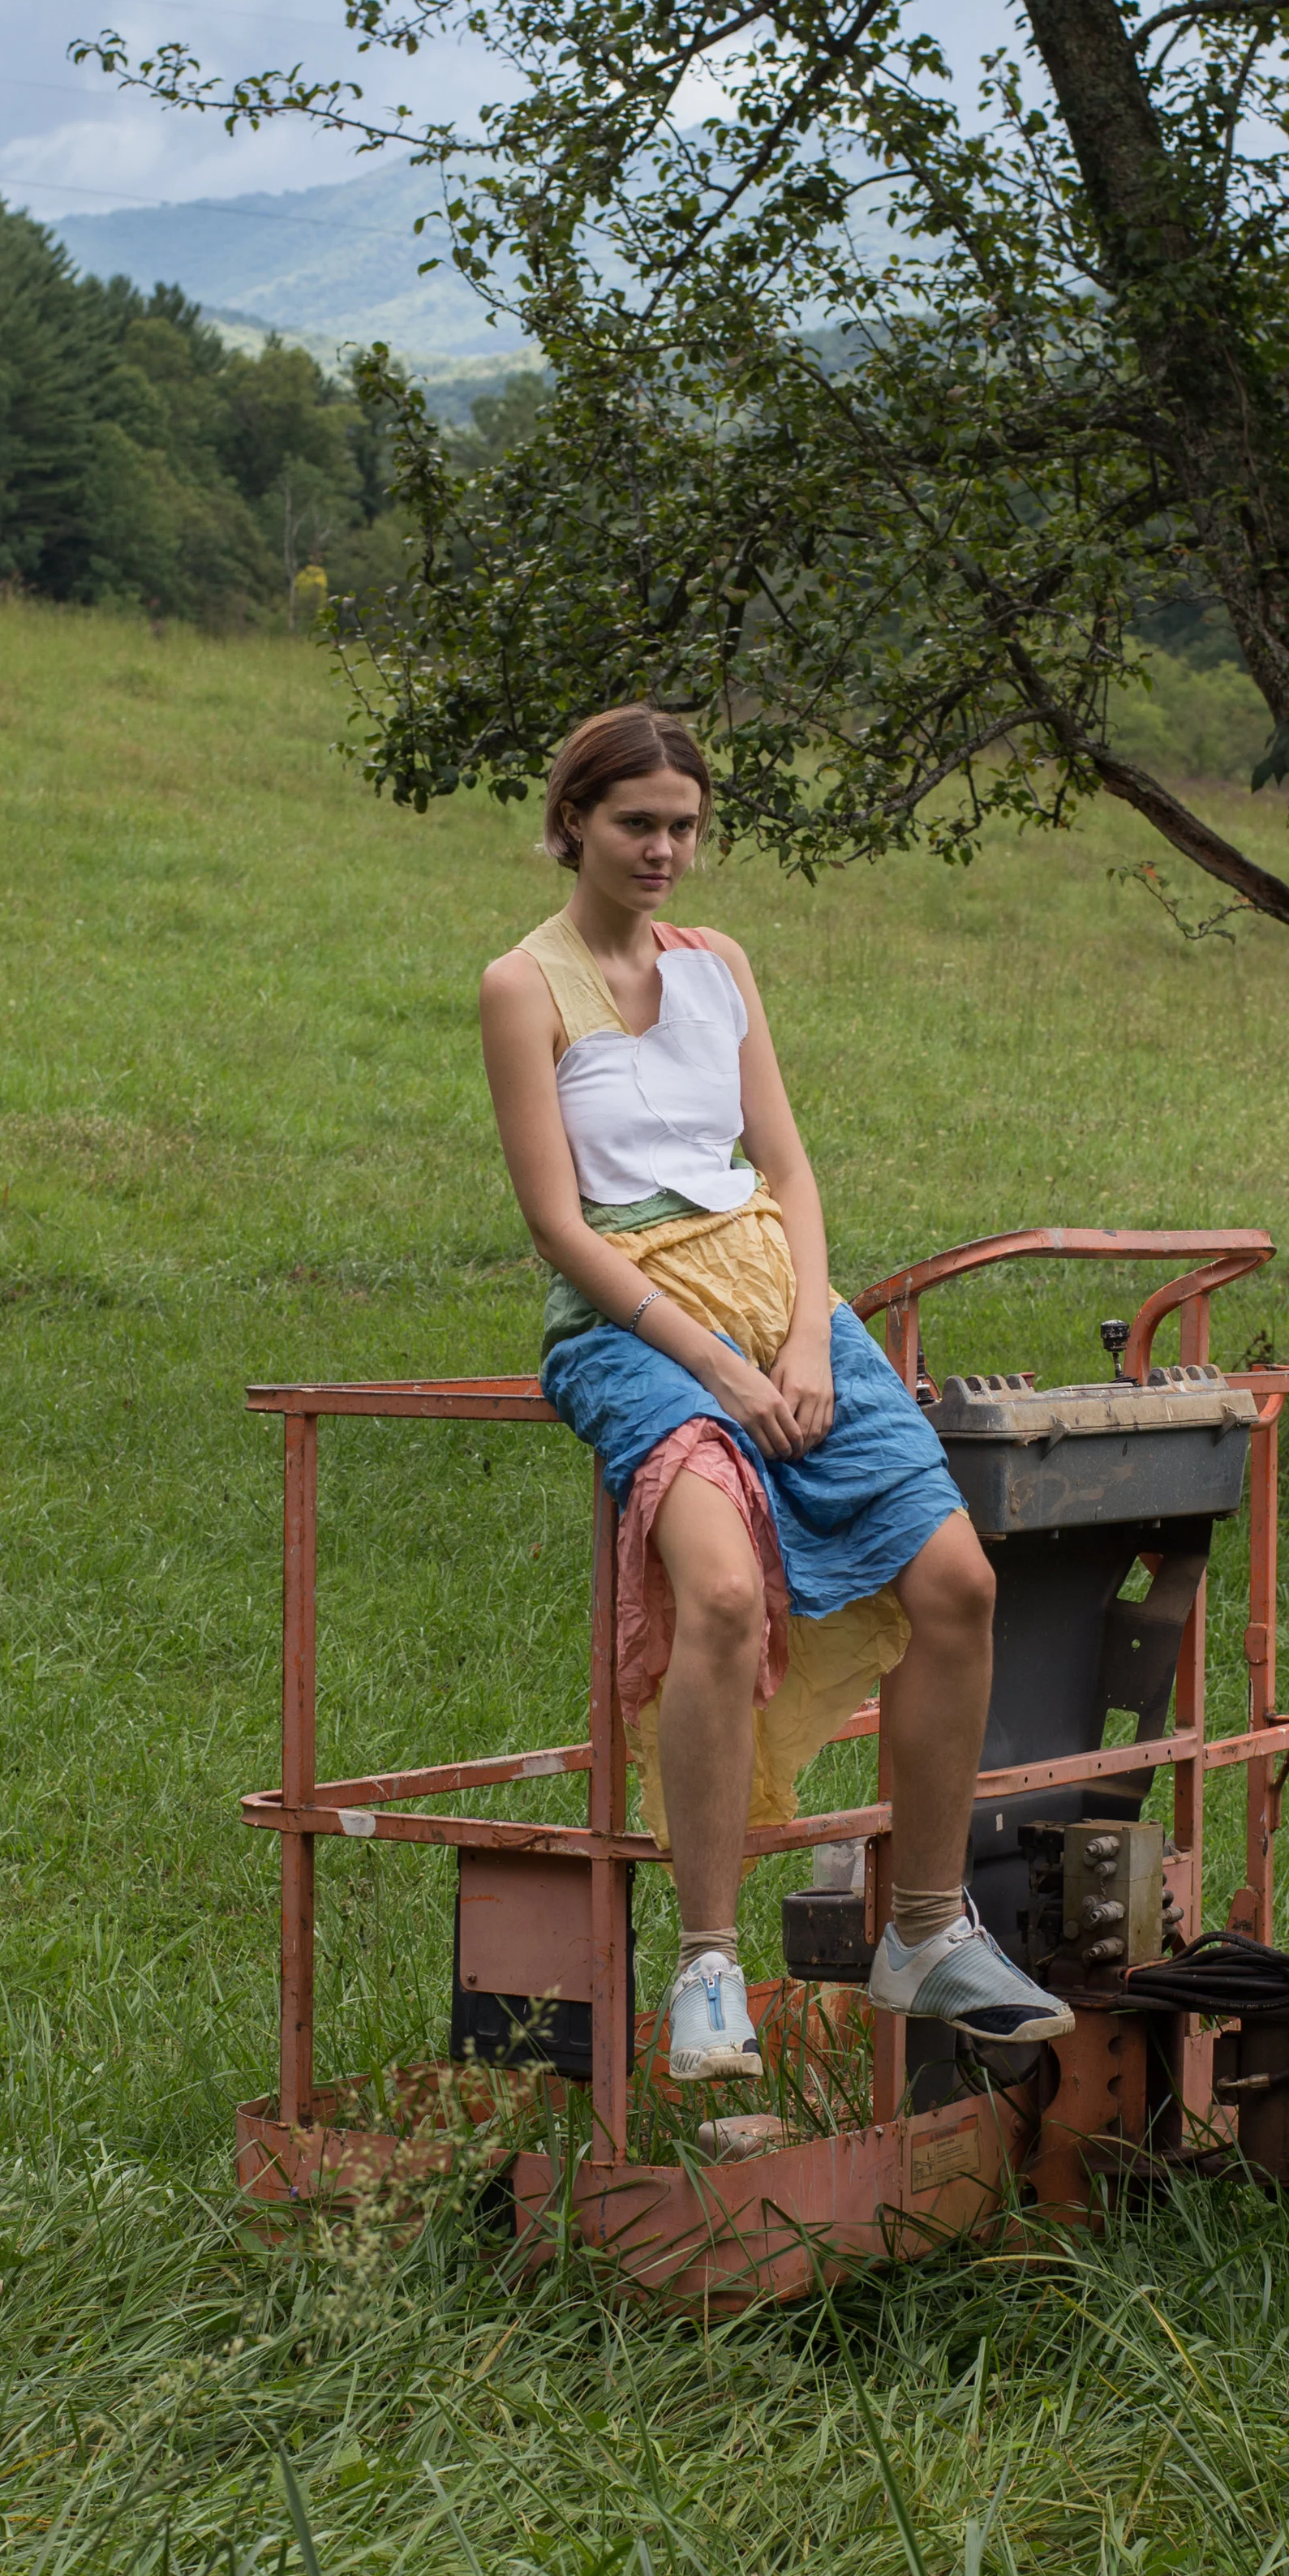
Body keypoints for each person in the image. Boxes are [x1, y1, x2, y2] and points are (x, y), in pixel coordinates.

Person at [479, 704, 1074, 2082]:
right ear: (574, 822)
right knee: (728, 1594)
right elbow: (561, 1227)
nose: (665, 849)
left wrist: (810, 1343)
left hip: (776, 1298)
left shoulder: (720, 967)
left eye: (685, 825)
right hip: (631, 1321)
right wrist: (724, 1369)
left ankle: (924, 1928)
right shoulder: (525, 984)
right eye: (637, 824)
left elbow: (790, 1174)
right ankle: (706, 1964)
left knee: (960, 1585)